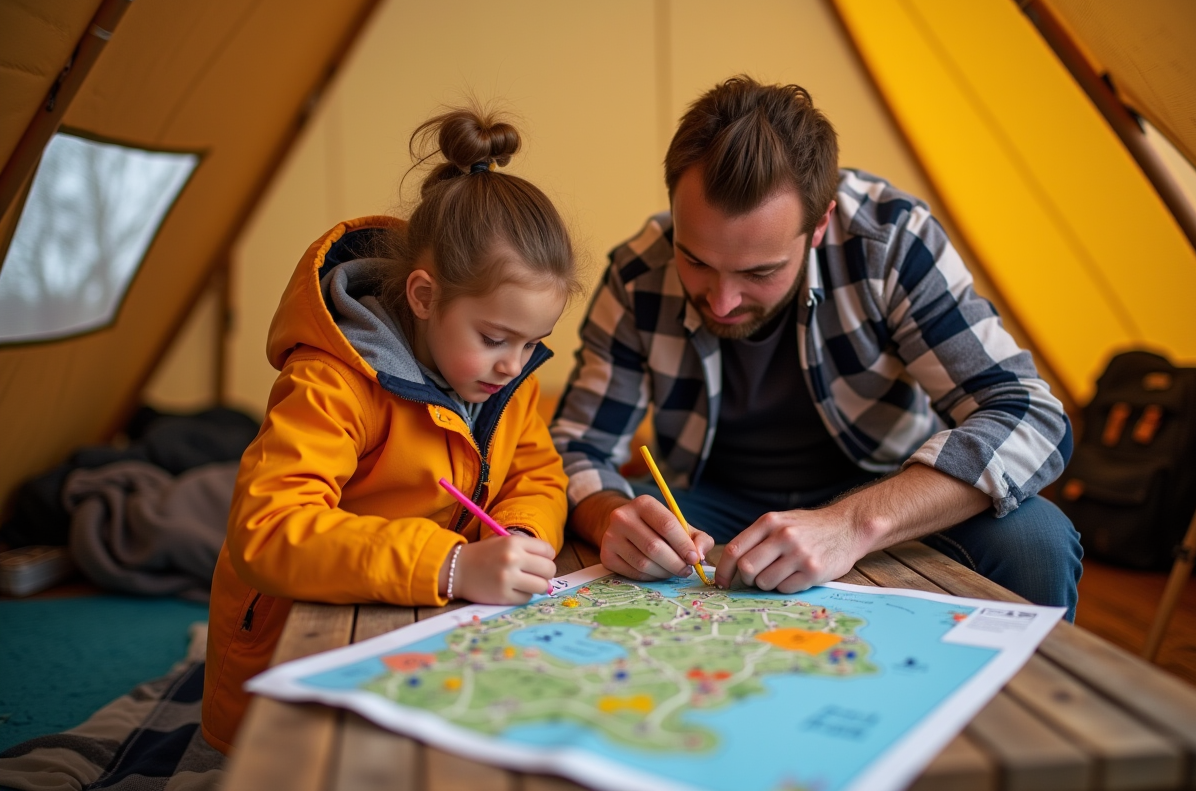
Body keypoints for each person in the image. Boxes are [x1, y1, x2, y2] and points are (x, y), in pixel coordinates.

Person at [552, 76, 1081, 620]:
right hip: (710, 501)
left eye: (760, 271)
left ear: (821, 222)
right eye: (695, 261)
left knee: (1037, 540)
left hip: (885, 488)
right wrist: (609, 513)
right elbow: (576, 448)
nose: (723, 302)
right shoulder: (638, 273)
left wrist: (851, 526)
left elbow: (1031, 416)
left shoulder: (890, 241)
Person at [201, 106, 580, 753]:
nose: (516, 366)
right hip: (293, 669)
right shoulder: (332, 381)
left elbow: (536, 472)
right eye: (494, 338)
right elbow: (267, 530)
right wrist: (452, 564)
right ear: (425, 297)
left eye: (533, 342)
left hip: (422, 629)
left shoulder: (505, 378)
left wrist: (520, 533)